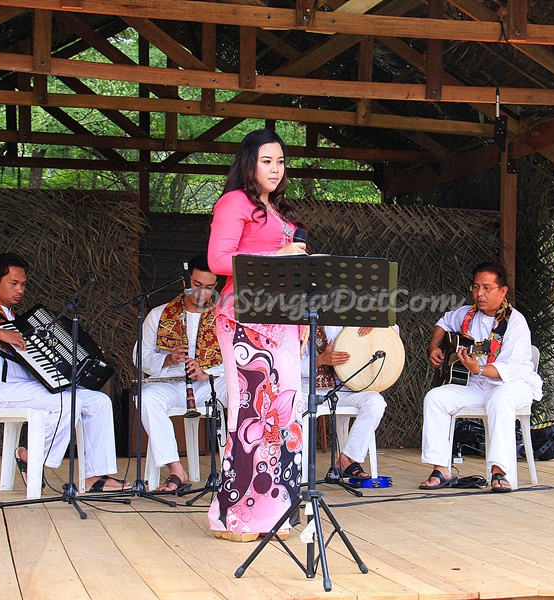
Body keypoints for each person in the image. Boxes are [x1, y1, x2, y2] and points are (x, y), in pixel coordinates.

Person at [0, 253, 128, 492]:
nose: (20, 290)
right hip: (6, 391)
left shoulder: (18, 320)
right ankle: (32, 459)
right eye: (13, 283)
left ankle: (94, 477)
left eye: (23, 284)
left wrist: (86, 354)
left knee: (99, 401)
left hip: (35, 388)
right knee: (67, 402)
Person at [206, 128, 307, 541]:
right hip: (244, 319)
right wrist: (276, 254)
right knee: (250, 413)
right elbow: (217, 260)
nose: (275, 169)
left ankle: (276, 509)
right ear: (249, 163)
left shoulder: (279, 210)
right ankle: (236, 515)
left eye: (280, 162)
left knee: (284, 413)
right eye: (267, 161)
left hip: (283, 320)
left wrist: (301, 320)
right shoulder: (234, 202)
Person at [419, 261, 542, 493]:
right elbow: (443, 323)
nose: (479, 294)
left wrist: (478, 369)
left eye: (487, 288)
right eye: (476, 287)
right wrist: (434, 347)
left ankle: (499, 471)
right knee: (435, 398)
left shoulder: (516, 322)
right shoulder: (467, 314)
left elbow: (508, 369)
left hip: (515, 384)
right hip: (477, 384)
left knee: (500, 399)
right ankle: (441, 469)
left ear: (502, 291)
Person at [134, 255, 226, 492]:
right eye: (197, 285)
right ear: (185, 282)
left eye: (209, 287)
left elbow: (238, 357)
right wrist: (167, 358)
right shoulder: (159, 314)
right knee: (146, 397)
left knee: (244, 390)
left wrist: (207, 372)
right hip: (171, 383)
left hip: (210, 384)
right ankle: (176, 468)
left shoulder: (224, 316)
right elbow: (139, 356)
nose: (202, 293)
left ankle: (236, 466)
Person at [301, 326, 388, 480]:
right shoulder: (303, 324)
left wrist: (376, 327)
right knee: (290, 402)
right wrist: (320, 361)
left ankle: (347, 459)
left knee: (375, 402)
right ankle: (293, 468)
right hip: (309, 390)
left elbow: (392, 335)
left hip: (348, 390)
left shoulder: (357, 321)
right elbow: (289, 366)